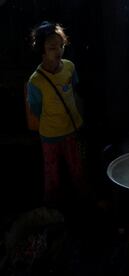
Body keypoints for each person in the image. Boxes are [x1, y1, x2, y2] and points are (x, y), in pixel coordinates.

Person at [27, 21, 87, 208]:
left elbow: (75, 94)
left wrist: (81, 120)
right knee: (52, 176)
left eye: (61, 46)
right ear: (41, 50)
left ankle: (82, 206)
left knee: (77, 171)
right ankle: (53, 211)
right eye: (52, 47)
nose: (58, 51)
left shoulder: (69, 67)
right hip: (50, 136)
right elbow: (36, 109)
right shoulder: (35, 81)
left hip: (72, 129)